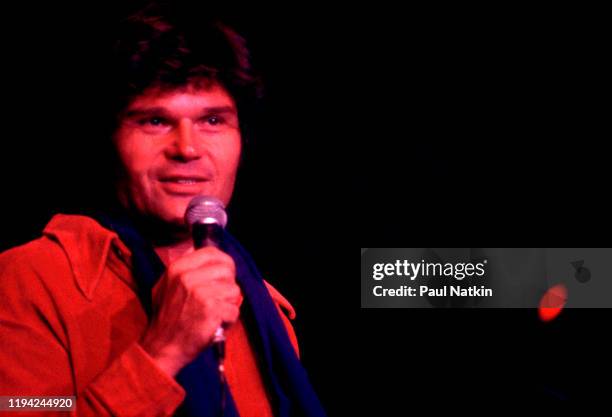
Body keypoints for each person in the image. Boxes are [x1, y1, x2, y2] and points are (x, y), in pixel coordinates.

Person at [0, 3, 326, 417]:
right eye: (155, 121)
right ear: (111, 140)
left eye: (212, 120)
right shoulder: (30, 282)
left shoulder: (265, 308)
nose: (187, 148)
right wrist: (162, 353)